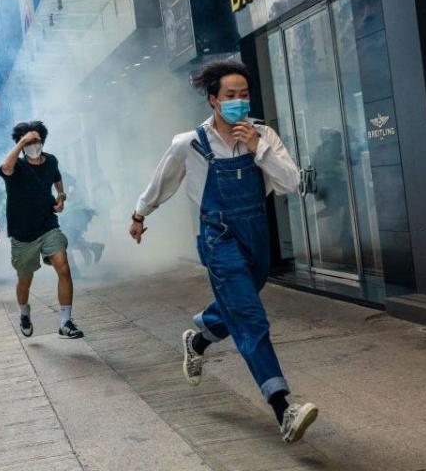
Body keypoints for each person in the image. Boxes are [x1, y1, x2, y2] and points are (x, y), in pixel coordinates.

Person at [128, 60, 316, 443]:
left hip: (257, 236)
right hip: (218, 239)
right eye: (230, 96)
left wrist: (257, 147)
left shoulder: (262, 135)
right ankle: (283, 408)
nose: (239, 103)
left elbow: (292, 182)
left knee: (240, 301)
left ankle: (198, 340)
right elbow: (161, 182)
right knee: (250, 317)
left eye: (244, 95)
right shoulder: (190, 144)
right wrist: (139, 214)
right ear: (213, 100)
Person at [0, 121, 83, 339]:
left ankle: (66, 322)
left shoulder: (51, 160)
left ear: (43, 141)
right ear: (20, 144)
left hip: (48, 225)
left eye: (36, 140)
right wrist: (22, 143)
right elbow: (5, 167)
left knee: (63, 267)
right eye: (27, 142)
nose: (32, 145)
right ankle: (24, 312)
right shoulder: (16, 166)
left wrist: (61, 197)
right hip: (22, 233)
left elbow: (57, 178)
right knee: (25, 279)